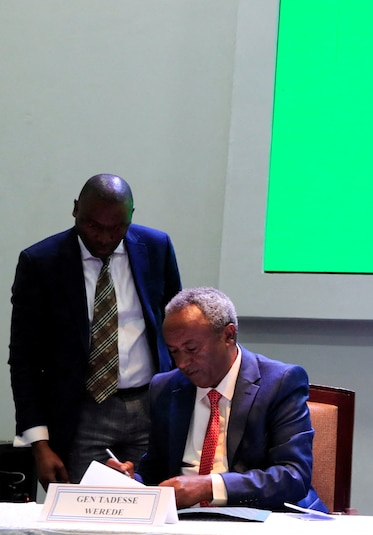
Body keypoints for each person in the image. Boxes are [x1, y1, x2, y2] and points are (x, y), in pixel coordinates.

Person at [9, 174, 182, 486]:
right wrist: (40, 443)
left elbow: (176, 334)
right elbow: (25, 361)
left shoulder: (156, 248)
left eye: (116, 228)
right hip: (81, 414)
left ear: (131, 217)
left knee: (152, 516)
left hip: (150, 408)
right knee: (81, 521)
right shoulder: (41, 262)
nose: (103, 237)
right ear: (76, 210)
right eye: (92, 225)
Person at [109, 287, 326, 511]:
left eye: (191, 349)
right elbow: (156, 472)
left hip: (261, 517)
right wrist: (133, 483)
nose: (182, 363)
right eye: (174, 352)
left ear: (228, 336)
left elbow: (293, 476)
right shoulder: (165, 387)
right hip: (183, 521)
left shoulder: (280, 382)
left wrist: (209, 486)